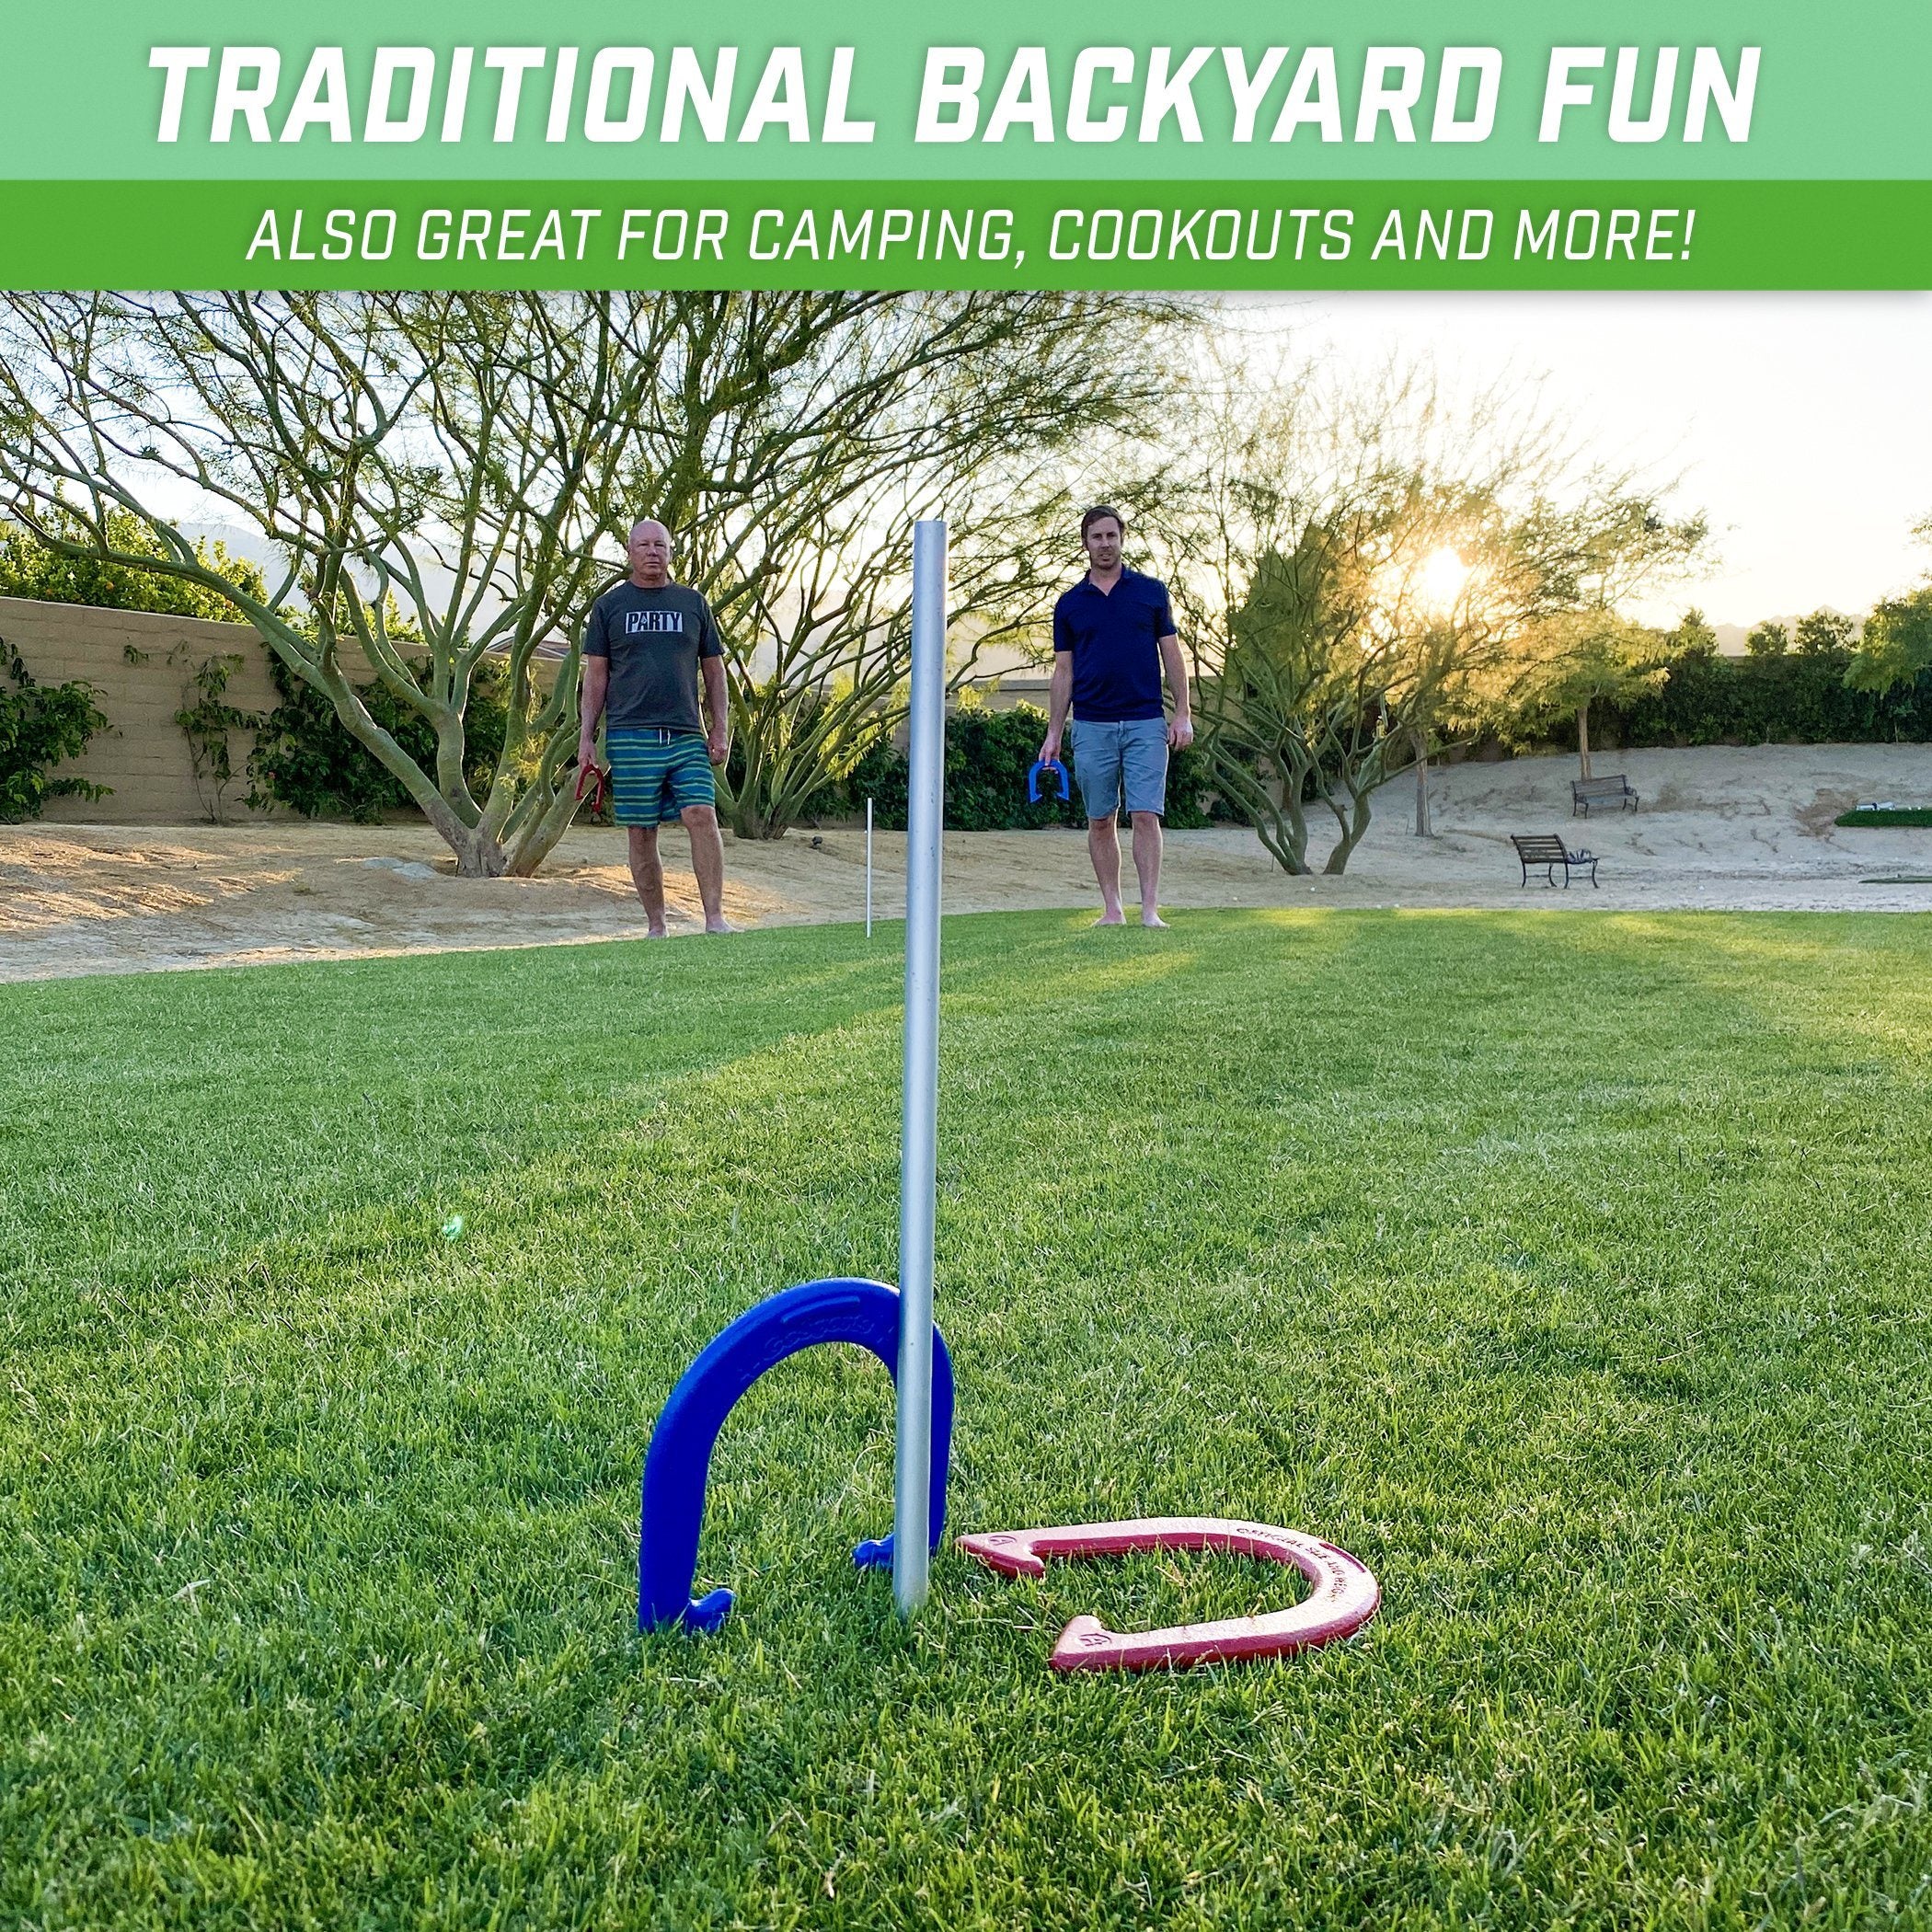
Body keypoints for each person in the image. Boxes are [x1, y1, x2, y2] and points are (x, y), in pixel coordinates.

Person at [1039, 505, 1193, 927]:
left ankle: (1150, 911)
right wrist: (1054, 733)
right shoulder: (1069, 605)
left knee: (1146, 815)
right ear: (1085, 543)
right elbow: (1063, 671)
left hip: (1146, 720)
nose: (1105, 544)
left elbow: (1172, 656)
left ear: (1122, 538)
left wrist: (1182, 712)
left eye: (1111, 536)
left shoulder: (1151, 593)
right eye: (1096, 537)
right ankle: (1112, 909)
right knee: (1101, 819)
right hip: (1091, 725)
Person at [578, 518, 733, 937]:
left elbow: (715, 672)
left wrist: (720, 729)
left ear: (670, 551)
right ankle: (657, 926)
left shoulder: (693, 604)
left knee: (702, 813)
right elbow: (596, 677)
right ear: (629, 552)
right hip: (630, 734)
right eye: (643, 545)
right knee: (642, 830)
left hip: (686, 733)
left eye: (659, 545)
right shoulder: (609, 607)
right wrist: (587, 737)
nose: (652, 552)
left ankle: (715, 919)